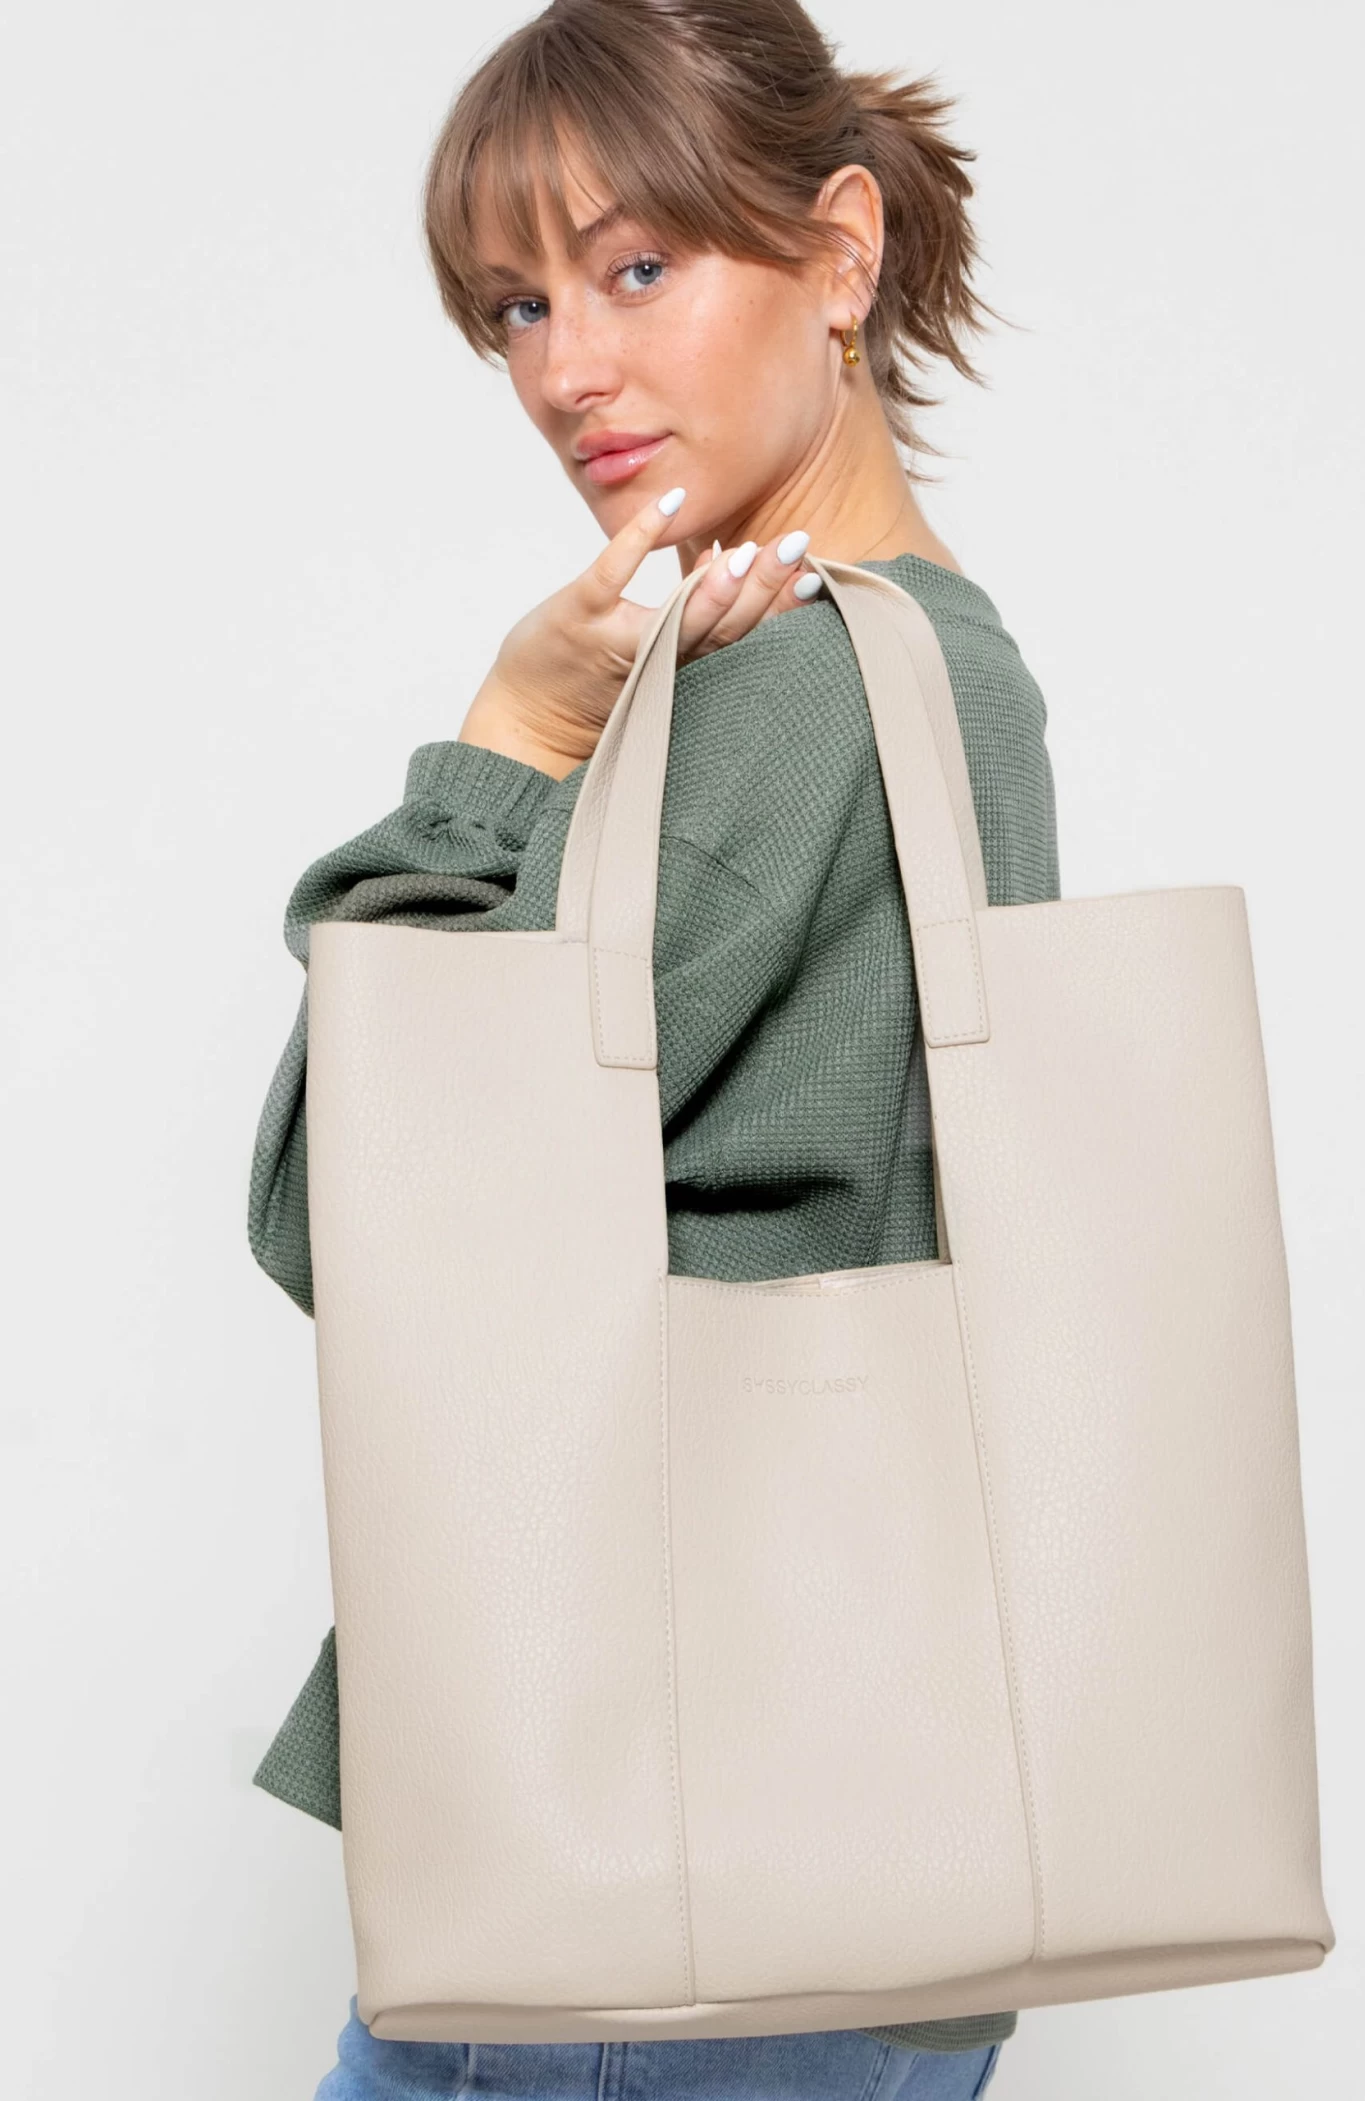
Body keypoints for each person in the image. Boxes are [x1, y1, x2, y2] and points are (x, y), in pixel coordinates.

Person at [247, 3, 1058, 2094]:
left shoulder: (796, 692)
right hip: (868, 1869)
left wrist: (510, 737)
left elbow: (342, 1205)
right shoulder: (959, 669)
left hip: (653, 1875)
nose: (564, 373)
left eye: (634, 268)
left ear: (841, 253)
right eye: (518, 305)